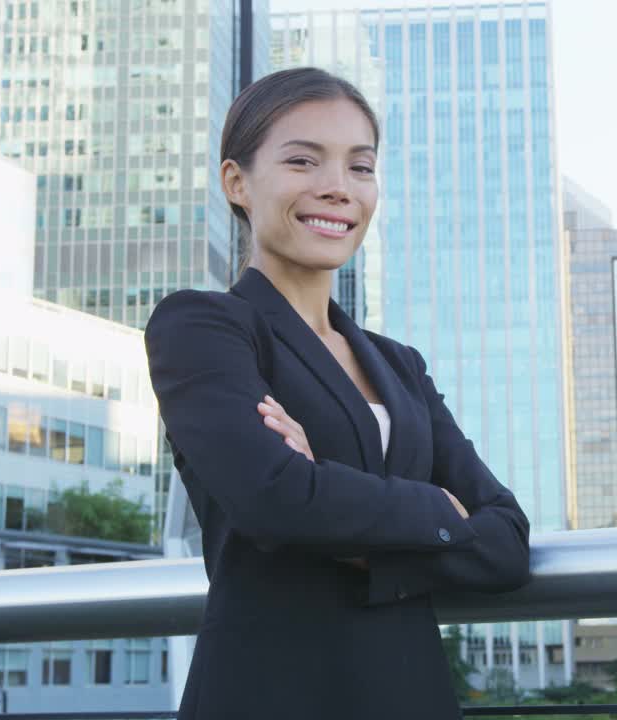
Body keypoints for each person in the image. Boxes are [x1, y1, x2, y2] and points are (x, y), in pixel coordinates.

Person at [144, 67, 532, 719]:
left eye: (360, 167)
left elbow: (507, 541)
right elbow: (274, 500)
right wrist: (438, 508)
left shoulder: (399, 365)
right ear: (237, 182)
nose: (336, 188)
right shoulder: (205, 327)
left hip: (409, 695)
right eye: (302, 161)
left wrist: (329, 494)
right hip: (270, 695)